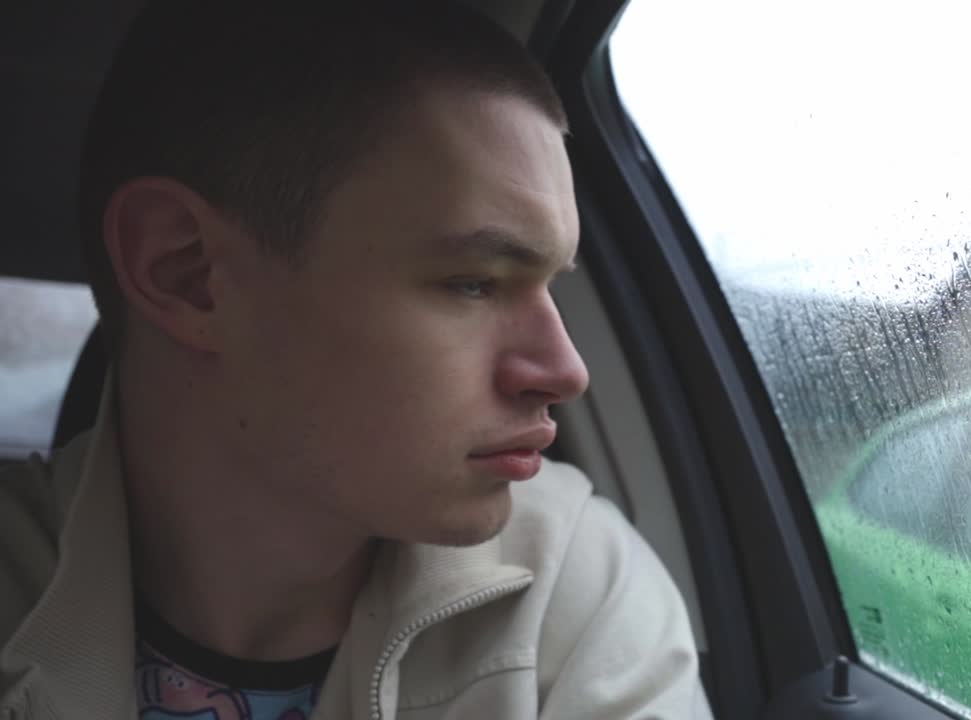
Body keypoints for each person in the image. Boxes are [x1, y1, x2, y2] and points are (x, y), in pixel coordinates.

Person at [0, 2, 712, 718]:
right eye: (473, 281)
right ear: (188, 272)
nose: (565, 370)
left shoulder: (573, 594)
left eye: (551, 286)